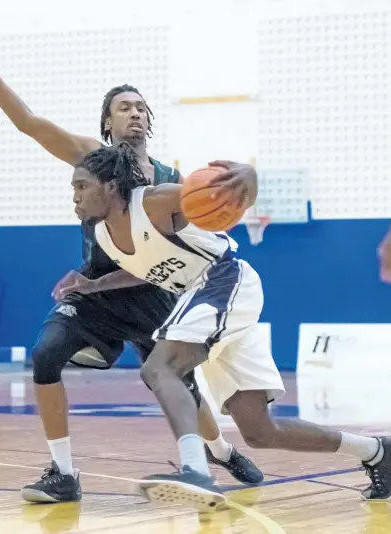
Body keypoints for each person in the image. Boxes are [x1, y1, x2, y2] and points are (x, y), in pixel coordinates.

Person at [0, 23, 263, 503]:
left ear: (148, 121)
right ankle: (63, 474)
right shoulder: (94, 159)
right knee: (45, 355)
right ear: (106, 124)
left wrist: (242, 187)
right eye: (123, 107)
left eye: (140, 107)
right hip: (96, 287)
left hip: (155, 290)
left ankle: (217, 449)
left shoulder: (175, 180)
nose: (134, 113)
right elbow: (28, 122)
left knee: (180, 387)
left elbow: (208, 226)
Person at [72, 142, 391, 511]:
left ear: (110, 187)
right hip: (211, 297)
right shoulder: (103, 236)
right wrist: (95, 285)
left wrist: (250, 178)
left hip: (222, 280)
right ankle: (377, 450)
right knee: (259, 431)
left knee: (159, 368)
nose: (75, 196)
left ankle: (196, 470)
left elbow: (224, 189)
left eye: (81, 186)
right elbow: (141, 267)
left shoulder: (153, 201)